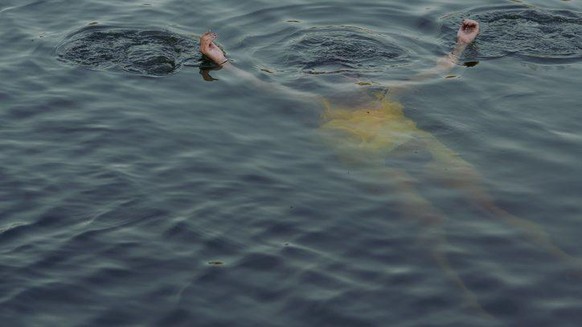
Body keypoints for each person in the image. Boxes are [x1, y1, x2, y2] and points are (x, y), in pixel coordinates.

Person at [198, 19, 579, 316]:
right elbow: (257, 86)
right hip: (378, 161)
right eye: (335, 78)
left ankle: (566, 263)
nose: (346, 82)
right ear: (323, 84)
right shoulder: (313, 102)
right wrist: (220, 60)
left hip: (420, 148)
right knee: (428, 220)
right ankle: (468, 299)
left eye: (349, 77)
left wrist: (463, 43)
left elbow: (439, 69)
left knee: (487, 201)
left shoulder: (386, 93)